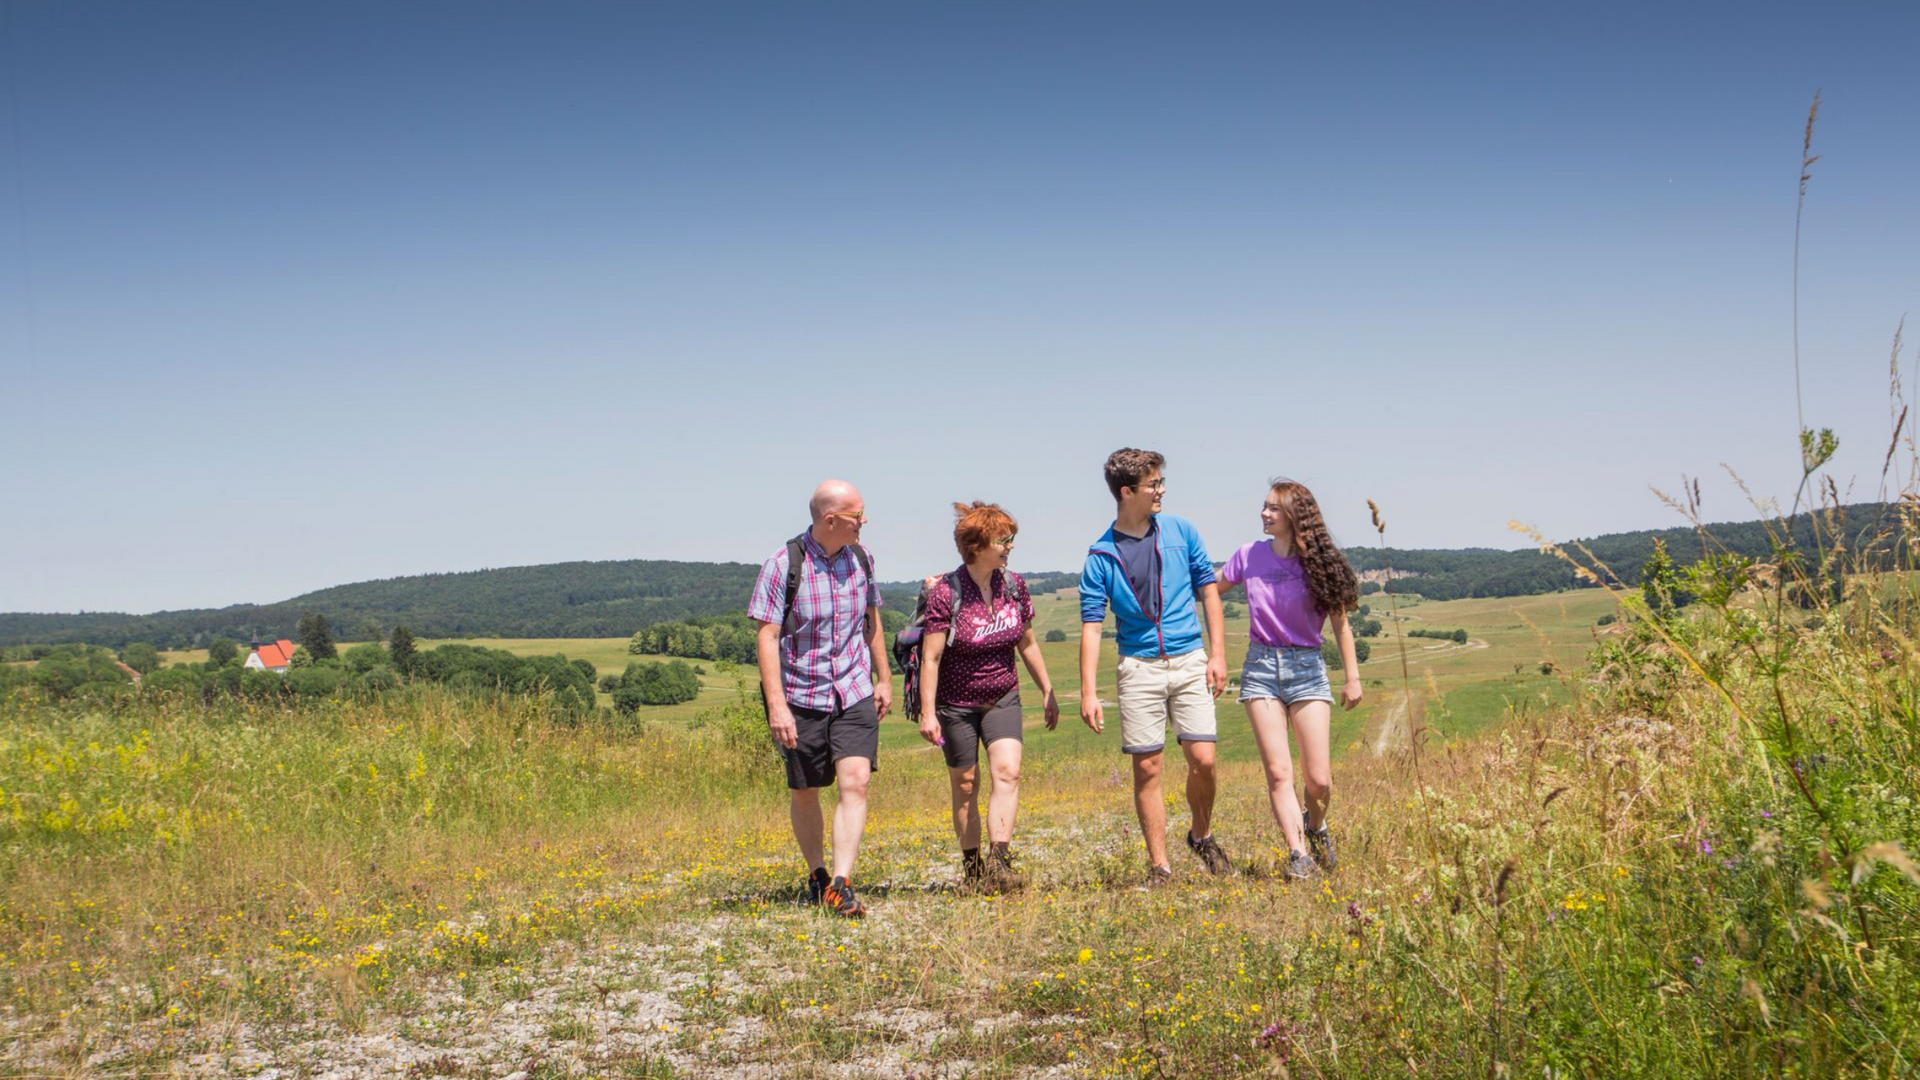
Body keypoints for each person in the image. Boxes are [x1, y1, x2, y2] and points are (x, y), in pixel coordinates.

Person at [1077, 448, 1232, 886]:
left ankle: (1201, 834)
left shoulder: (1182, 532)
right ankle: (1160, 866)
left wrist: (1217, 654)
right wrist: (1089, 691)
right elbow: (1092, 627)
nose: (1161, 490)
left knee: (1204, 760)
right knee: (1147, 769)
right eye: (1153, 484)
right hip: (1138, 668)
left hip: (1188, 660)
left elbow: (1209, 591)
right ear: (1127, 493)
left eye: (1160, 482)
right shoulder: (1101, 555)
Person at [748, 479, 893, 918]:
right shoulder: (782, 565)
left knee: (856, 781)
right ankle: (817, 875)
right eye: (856, 516)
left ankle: (841, 884)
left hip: (852, 689)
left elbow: (872, 622)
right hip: (800, 693)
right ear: (830, 520)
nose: (863, 522)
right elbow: (767, 636)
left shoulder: (863, 559)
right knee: (806, 789)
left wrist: (883, 678)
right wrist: (777, 705)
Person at [1215, 479, 1363, 880]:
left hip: (1307, 668)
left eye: (1274, 509)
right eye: (1264, 506)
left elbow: (1340, 623)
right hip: (1260, 669)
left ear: (1295, 516)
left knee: (1319, 781)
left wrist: (1352, 677)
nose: (1264, 514)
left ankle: (1316, 826)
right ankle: (1298, 855)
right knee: (1279, 773)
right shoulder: (1248, 556)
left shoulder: (1317, 563)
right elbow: (1209, 590)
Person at [916, 502, 1060, 893]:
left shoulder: (1013, 585)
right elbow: (930, 656)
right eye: (1004, 539)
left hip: (1002, 695)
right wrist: (928, 713)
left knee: (1008, 773)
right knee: (965, 785)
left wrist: (1047, 689)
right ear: (978, 545)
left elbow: (1026, 642)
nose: (1011, 546)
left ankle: (999, 861)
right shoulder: (947, 591)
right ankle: (973, 869)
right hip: (955, 703)